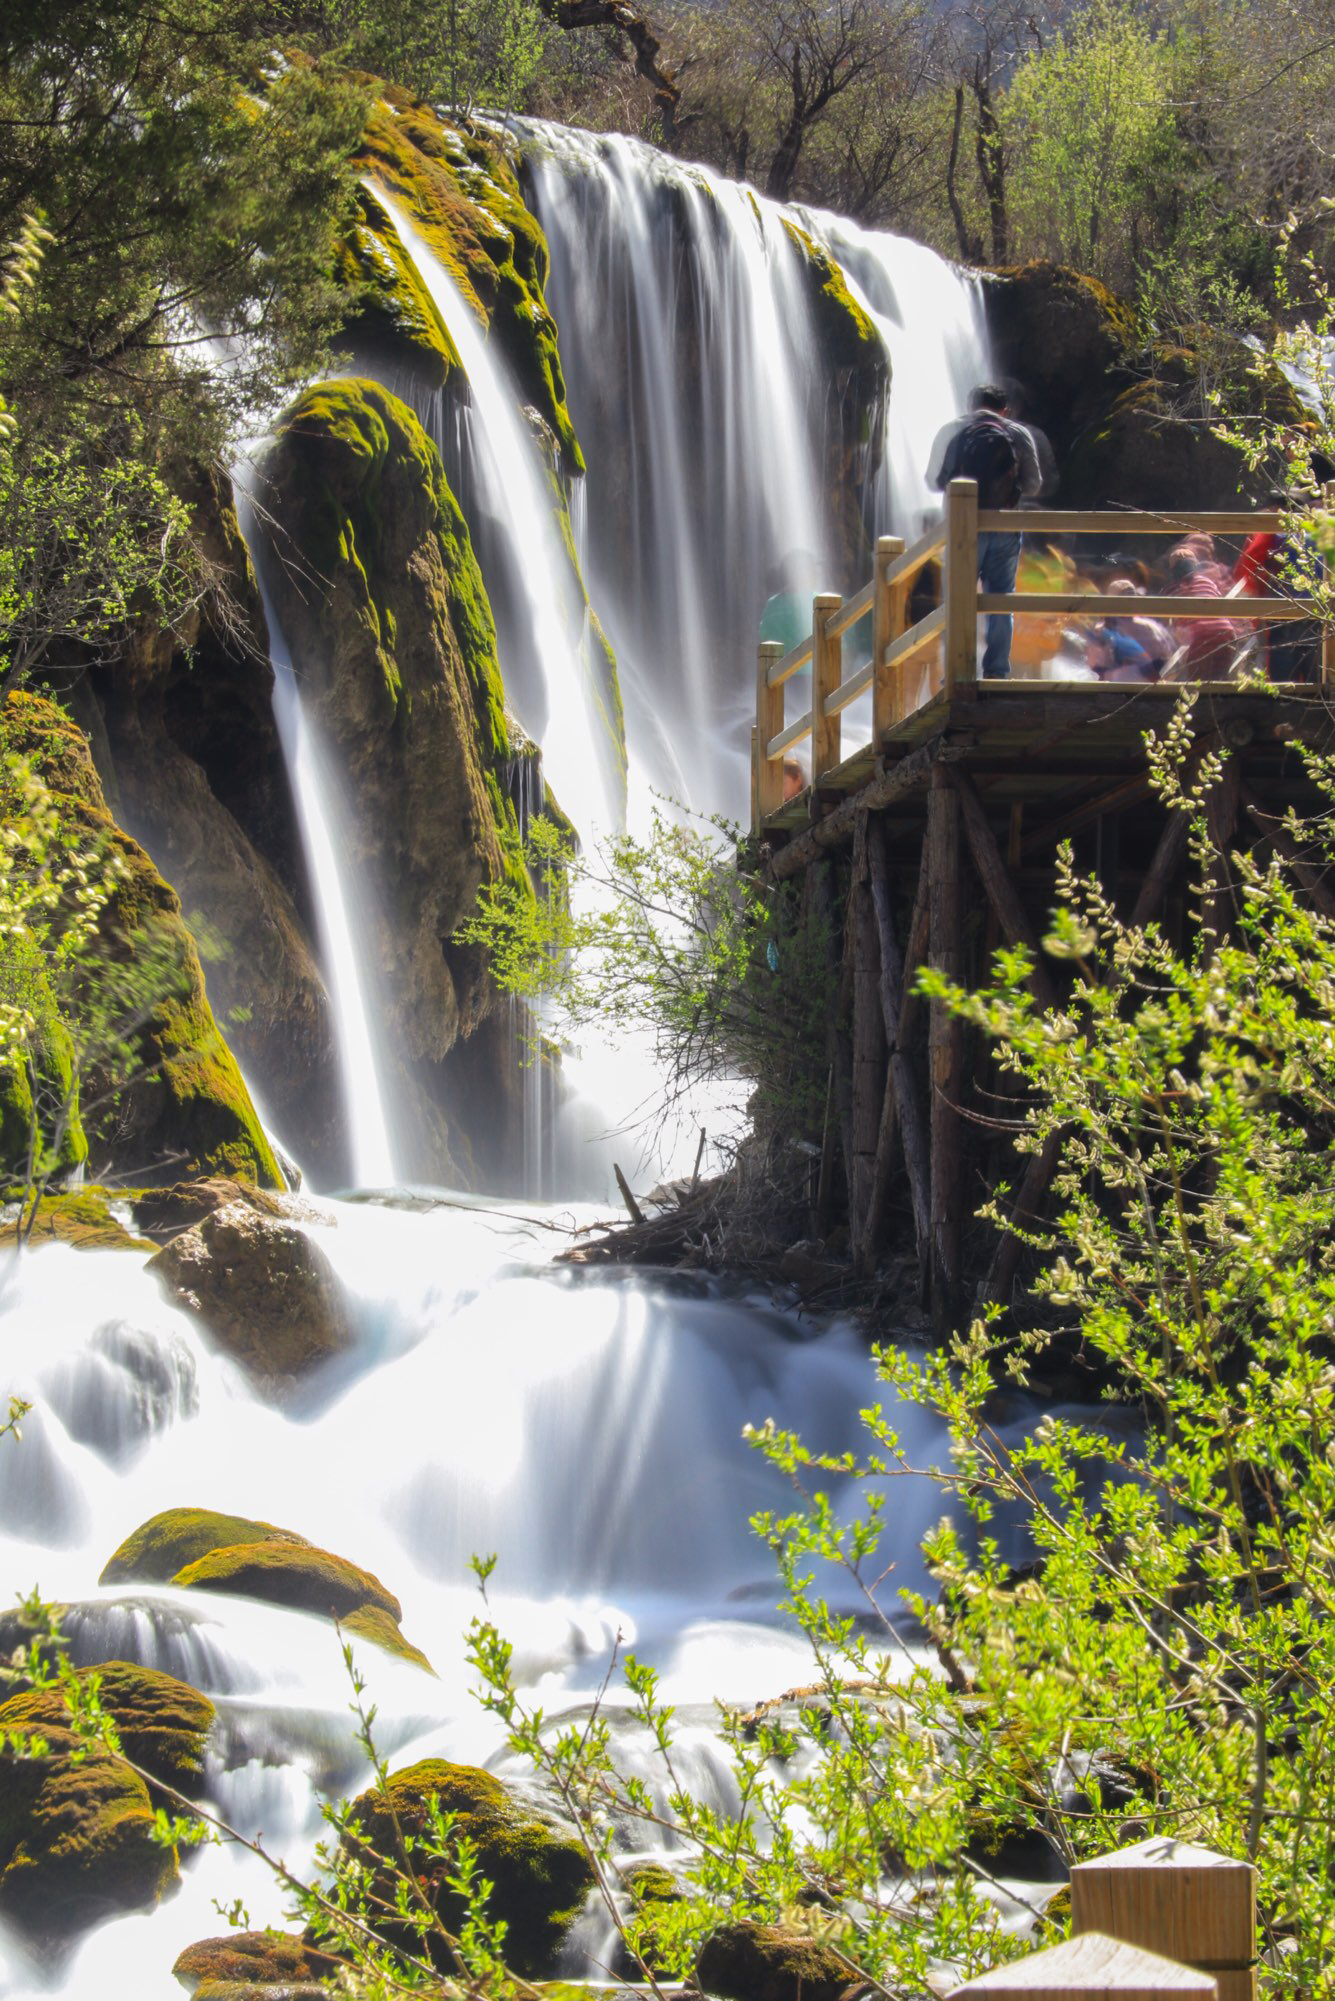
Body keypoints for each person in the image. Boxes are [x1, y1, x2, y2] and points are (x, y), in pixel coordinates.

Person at [930, 384, 1043, 678]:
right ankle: (996, 672)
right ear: (1004, 410)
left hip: (961, 530)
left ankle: (957, 670)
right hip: (1005, 525)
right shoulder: (1018, 433)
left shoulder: (952, 430)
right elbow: (1034, 484)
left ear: (969, 406)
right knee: (1002, 598)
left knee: (958, 597)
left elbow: (934, 481)